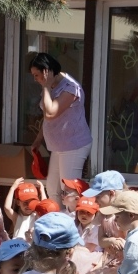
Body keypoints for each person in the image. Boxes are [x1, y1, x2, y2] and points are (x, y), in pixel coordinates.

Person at [28, 53, 93, 203]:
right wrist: (39, 139)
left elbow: (51, 113)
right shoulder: (51, 85)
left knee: (70, 192)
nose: (35, 79)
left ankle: (73, 225)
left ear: (47, 72)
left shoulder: (70, 88)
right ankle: (57, 223)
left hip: (73, 146)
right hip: (58, 147)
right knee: (52, 190)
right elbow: (46, 117)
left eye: (37, 75)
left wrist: (45, 86)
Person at [2, 179, 43, 244]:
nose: (28, 205)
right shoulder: (17, 217)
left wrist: (42, 191)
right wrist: (12, 188)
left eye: (31, 202)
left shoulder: (37, 216)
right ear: (18, 202)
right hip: (17, 248)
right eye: (25, 202)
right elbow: (7, 208)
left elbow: (45, 207)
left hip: (32, 249)